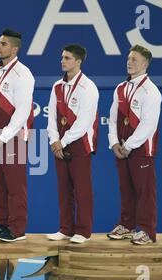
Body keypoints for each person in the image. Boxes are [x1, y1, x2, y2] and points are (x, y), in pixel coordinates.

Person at [0, 28, 35, 242]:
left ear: (14, 48)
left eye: (3, 44)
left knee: (15, 186)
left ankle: (17, 229)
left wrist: (3, 138)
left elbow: (22, 112)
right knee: (1, 185)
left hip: (14, 139)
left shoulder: (23, 74)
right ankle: (2, 224)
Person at [107, 45, 161, 245]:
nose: (129, 62)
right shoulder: (121, 88)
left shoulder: (151, 91)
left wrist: (128, 146)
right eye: (129, 58)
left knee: (145, 192)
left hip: (140, 151)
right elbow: (112, 119)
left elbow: (148, 125)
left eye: (135, 60)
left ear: (145, 64)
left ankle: (147, 231)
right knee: (126, 190)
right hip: (121, 149)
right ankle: (128, 226)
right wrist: (114, 143)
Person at [46, 44, 99, 244]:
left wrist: (63, 141)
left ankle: (83, 231)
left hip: (79, 145)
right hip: (59, 144)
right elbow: (51, 116)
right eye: (62, 57)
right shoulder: (57, 86)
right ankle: (66, 228)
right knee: (64, 189)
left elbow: (84, 122)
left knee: (82, 190)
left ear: (78, 61)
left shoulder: (88, 87)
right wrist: (54, 140)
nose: (62, 61)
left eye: (67, 58)